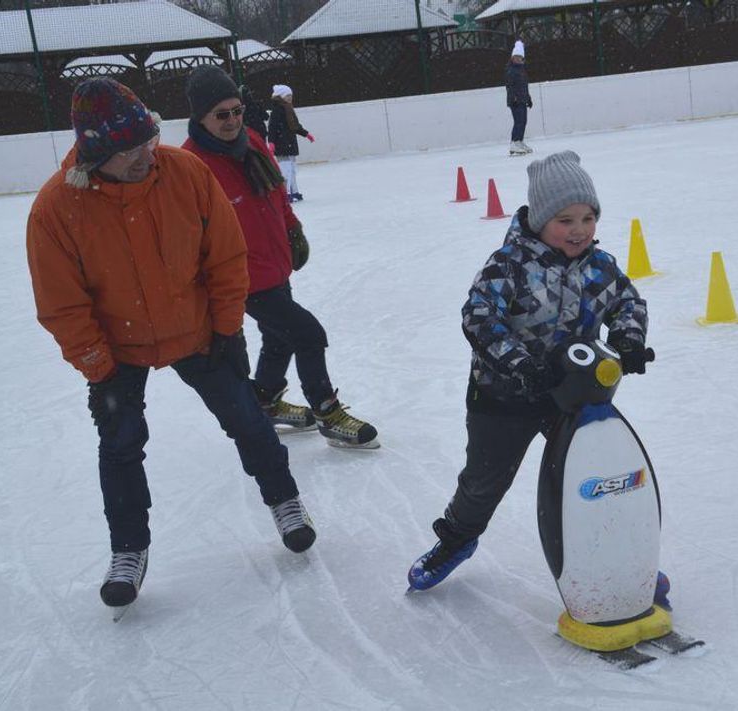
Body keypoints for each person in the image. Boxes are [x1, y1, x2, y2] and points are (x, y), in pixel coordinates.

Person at [26, 78, 317, 611]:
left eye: (149, 140)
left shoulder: (184, 173)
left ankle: (286, 502)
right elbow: (61, 304)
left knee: (249, 420)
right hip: (119, 349)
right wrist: (99, 368)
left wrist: (226, 331)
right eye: (132, 149)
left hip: (198, 332)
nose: (146, 154)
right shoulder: (56, 208)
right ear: (97, 153)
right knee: (120, 442)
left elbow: (227, 259)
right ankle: (128, 550)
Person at [407, 150, 652, 591]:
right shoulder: (509, 265)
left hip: (570, 396)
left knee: (595, 479)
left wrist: (629, 341)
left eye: (588, 218)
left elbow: (628, 302)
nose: (579, 230)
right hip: (502, 398)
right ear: (539, 220)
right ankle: (457, 539)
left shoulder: (600, 266)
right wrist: (520, 365)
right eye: (565, 220)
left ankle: (618, 559)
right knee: (483, 483)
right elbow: (479, 316)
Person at [182, 66, 379, 449]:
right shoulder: (190, 166)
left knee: (279, 339)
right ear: (199, 117)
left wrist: (293, 229)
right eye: (221, 114)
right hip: (239, 278)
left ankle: (266, 400)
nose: (233, 120)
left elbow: (276, 195)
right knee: (307, 334)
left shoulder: (252, 141)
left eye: (236, 110)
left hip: (274, 264)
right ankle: (327, 411)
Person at [267, 84, 314, 202]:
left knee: (292, 168)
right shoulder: (277, 110)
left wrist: (306, 134)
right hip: (281, 143)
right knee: (285, 169)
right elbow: (272, 127)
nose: (290, 98)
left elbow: (295, 126)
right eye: (287, 95)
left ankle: (294, 191)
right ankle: (286, 193)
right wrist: (271, 142)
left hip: (289, 142)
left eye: (290, 95)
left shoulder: (288, 109)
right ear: (281, 96)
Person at [505, 40, 533, 157]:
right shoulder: (511, 70)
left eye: (520, 57)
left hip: (522, 100)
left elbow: (524, 87)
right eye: (516, 57)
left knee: (523, 121)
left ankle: (519, 141)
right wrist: (514, 98)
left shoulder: (521, 71)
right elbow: (510, 86)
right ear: (512, 58)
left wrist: (528, 98)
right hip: (515, 101)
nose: (518, 59)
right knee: (518, 121)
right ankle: (514, 142)